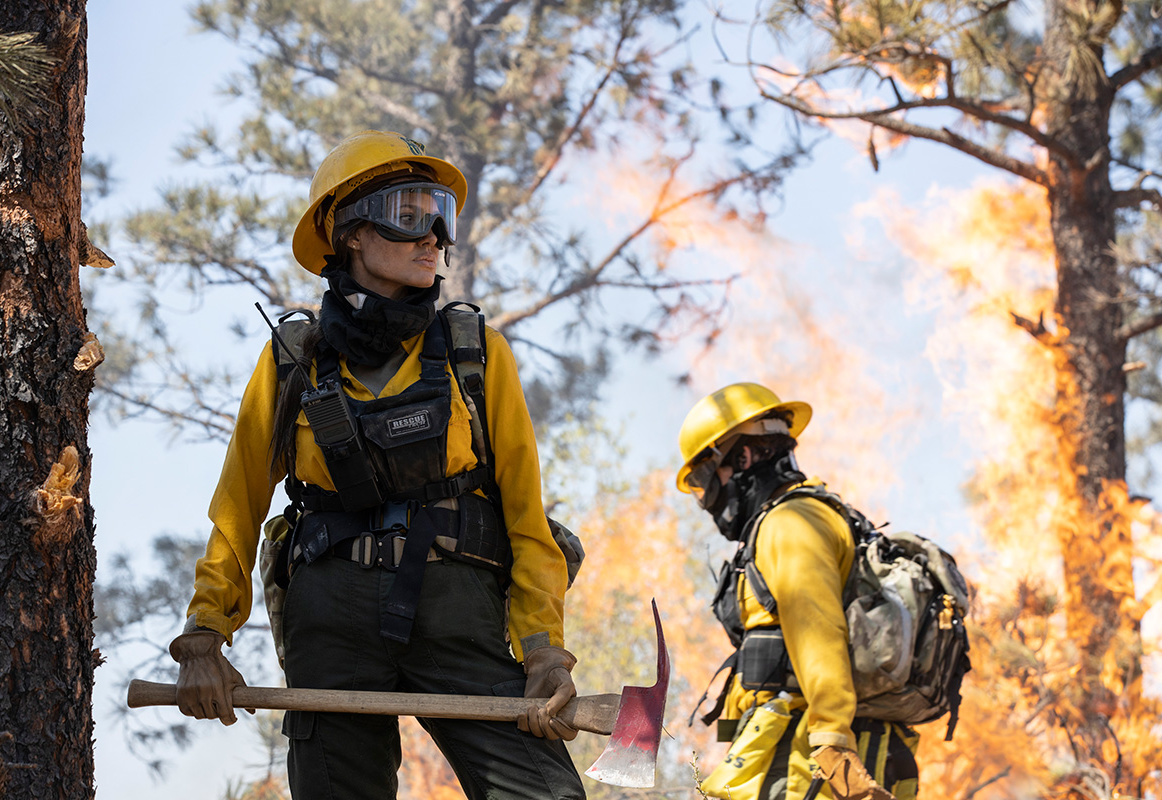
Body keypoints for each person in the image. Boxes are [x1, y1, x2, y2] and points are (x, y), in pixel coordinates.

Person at [167, 130, 587, 799]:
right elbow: (238, 506)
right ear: (350, 233)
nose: (434, 237)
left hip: (460, 611)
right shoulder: (292, 360)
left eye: (442, 216)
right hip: (330, 619)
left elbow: (527, 519)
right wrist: (204, 636)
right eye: (408, 213)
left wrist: (543, 653)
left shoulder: (476, 354)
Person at [676, 383, 918, 800]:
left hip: (810, 755)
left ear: (743, 456)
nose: (708, 498)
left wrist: (832, 742)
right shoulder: (799, 516)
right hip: (797, 744)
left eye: (704, 477)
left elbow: (816, 630)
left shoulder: (790, 523)